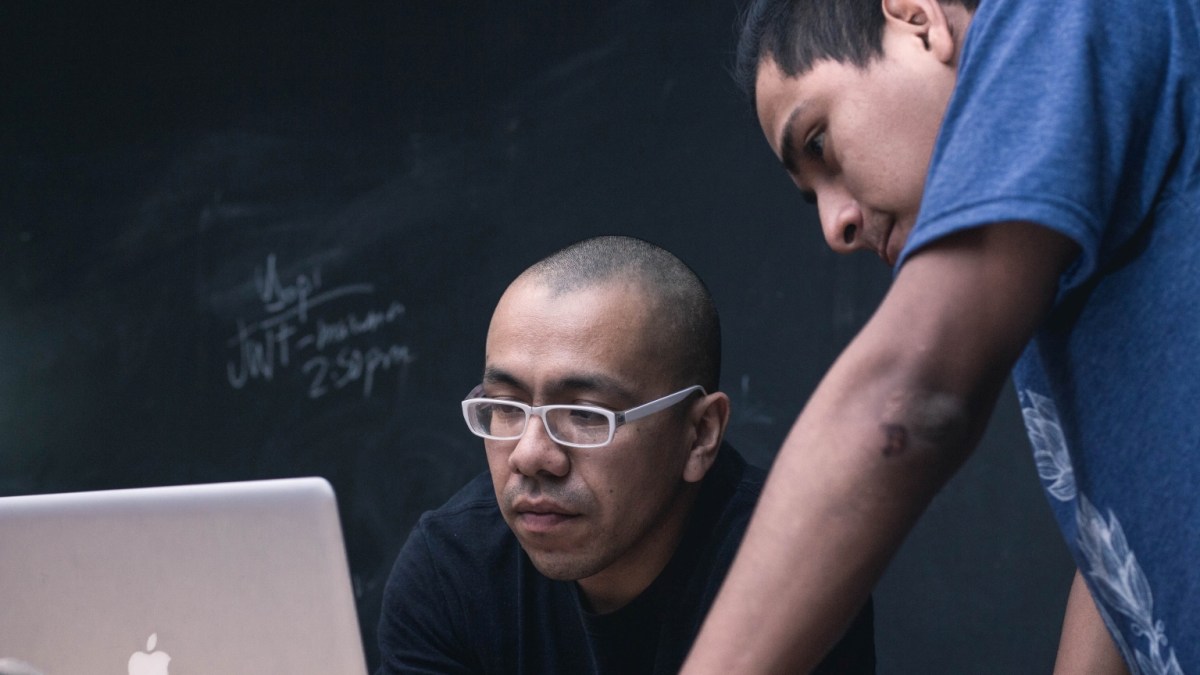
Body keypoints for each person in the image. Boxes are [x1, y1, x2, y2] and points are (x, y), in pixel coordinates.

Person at [681, 0, 1198, 673]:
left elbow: (907, 400)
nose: (835, 226)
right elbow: (1117, 547)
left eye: (818, 145)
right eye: (811, 196)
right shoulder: (1047, 268)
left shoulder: (1060, 14)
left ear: (917, 18)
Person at [375, 236, 875, 674]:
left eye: (587, 415)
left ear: (699, 434)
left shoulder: (793, 564)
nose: (530, 455)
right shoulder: (453, 569)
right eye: (505, 408)